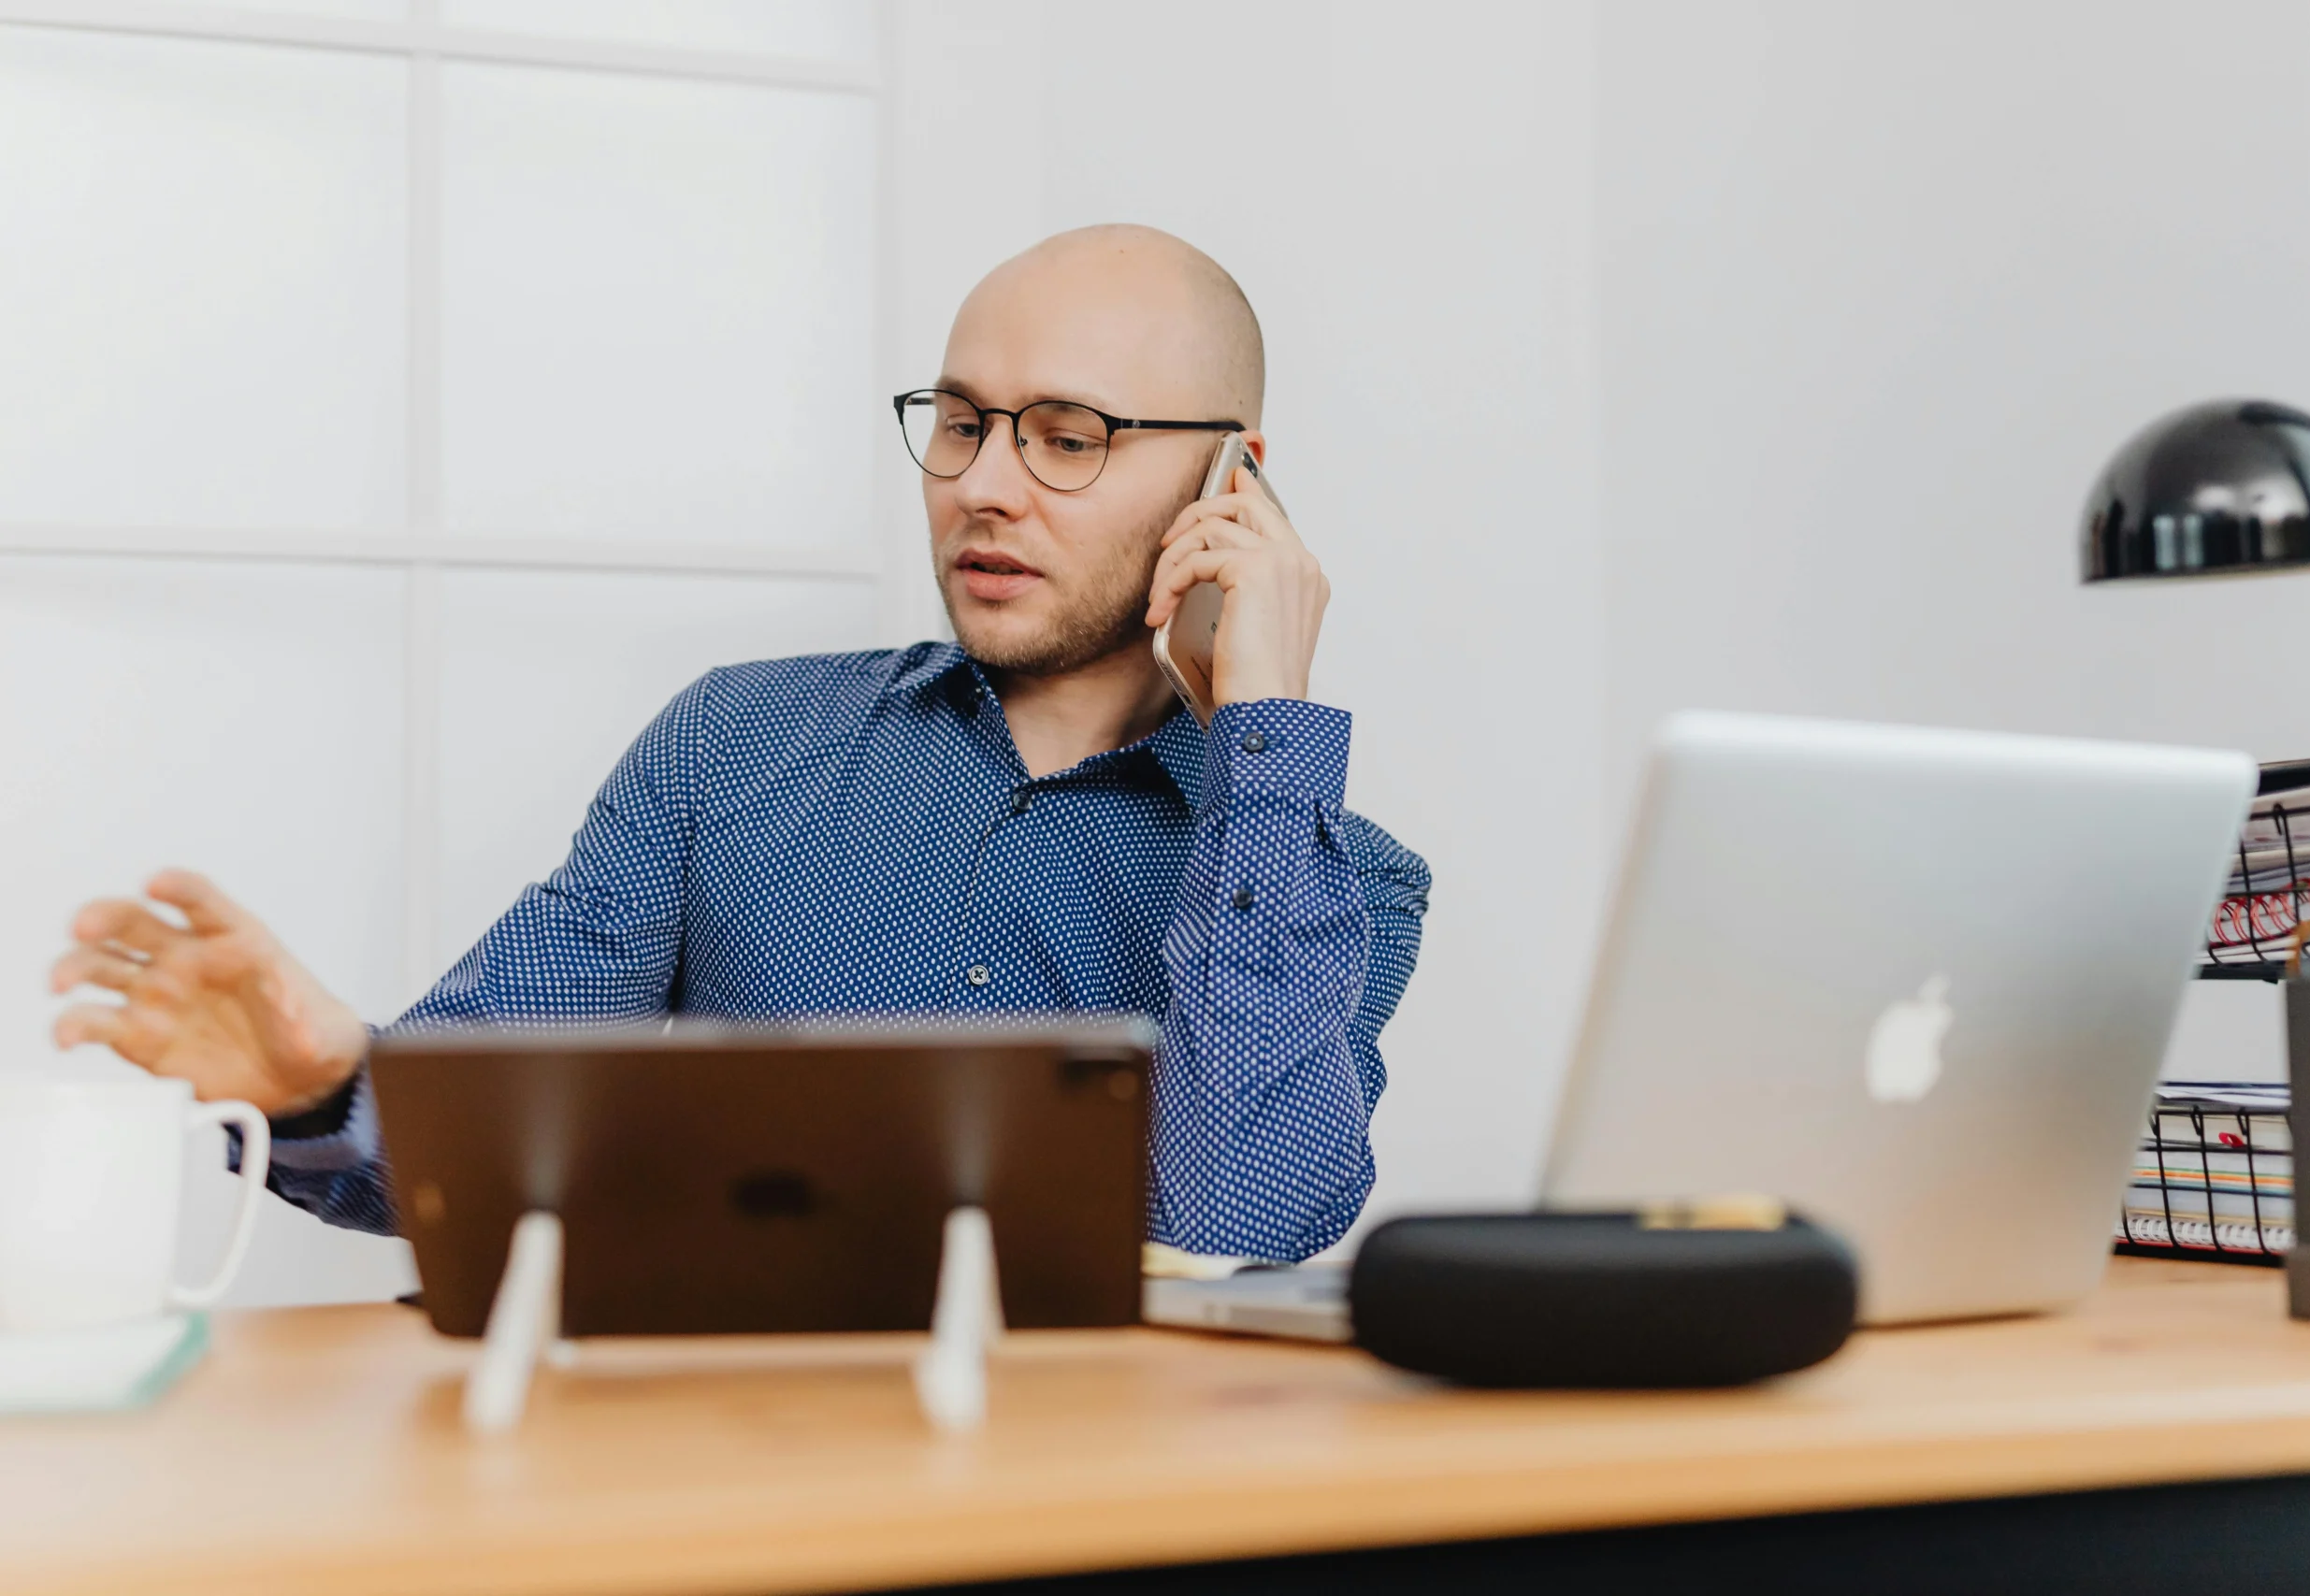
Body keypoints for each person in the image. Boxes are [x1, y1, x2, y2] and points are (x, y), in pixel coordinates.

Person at [46, 224, 1431, 1262]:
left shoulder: (1329, 874)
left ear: (1231, 476)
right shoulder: (737, 741)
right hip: (717, 1495)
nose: (982, 487)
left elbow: (1229, 1220)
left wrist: (1263, 734)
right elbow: (481, 1138)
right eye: (958, 424)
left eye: (1067, 437)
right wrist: (320, 1080)